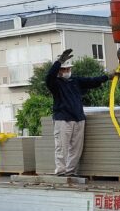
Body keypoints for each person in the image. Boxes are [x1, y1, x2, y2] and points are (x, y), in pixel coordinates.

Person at [45, 48, 110, 176]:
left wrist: (108, 77)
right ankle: (61, 171)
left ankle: (70, 171)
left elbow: (92, 81)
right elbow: (48, 77)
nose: (68, 71)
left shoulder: (75, 81)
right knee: (61, 147)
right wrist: (59, 62)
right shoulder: (55, 84)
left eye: (69, 69)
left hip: (78, 119)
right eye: (65, 69)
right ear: (59, 71)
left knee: (76, 149)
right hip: (63, 119)